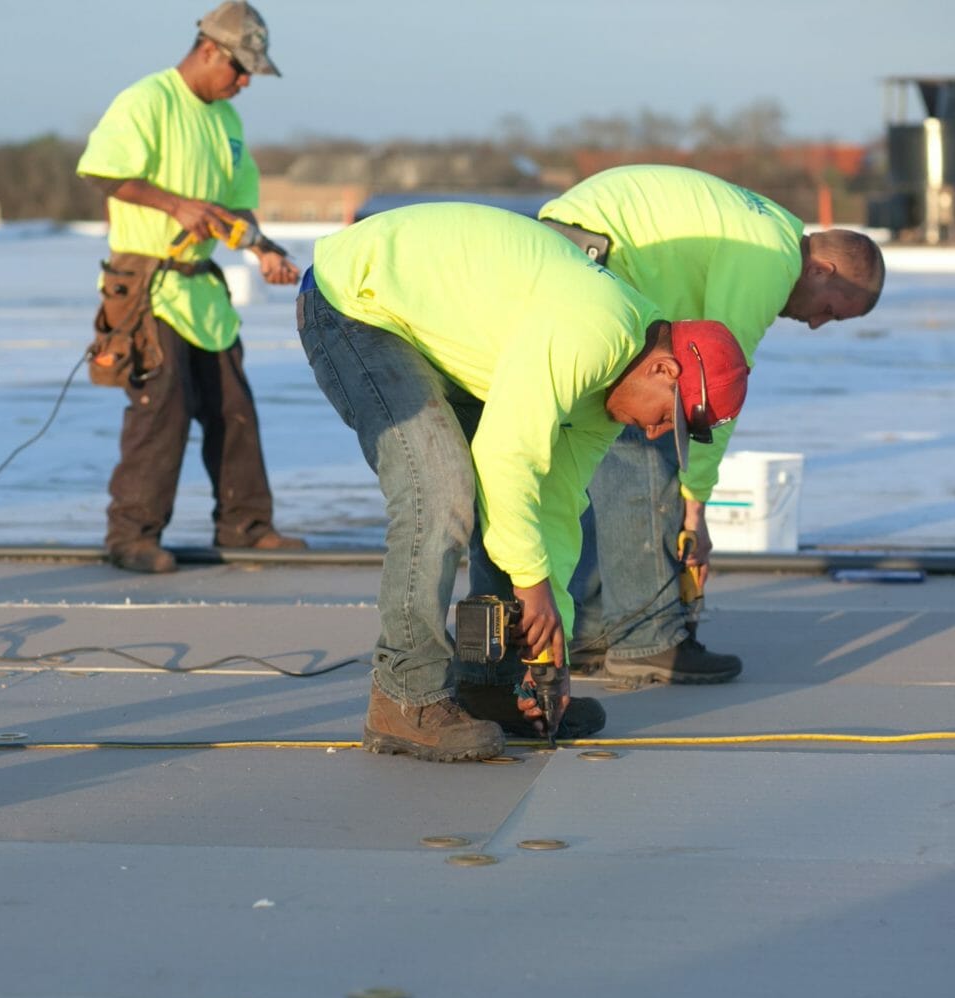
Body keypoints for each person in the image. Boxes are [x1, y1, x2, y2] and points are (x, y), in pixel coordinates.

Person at [297, 202, 750, 762]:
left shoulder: (611, 391)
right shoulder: (597, 330)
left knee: (514, 516)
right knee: (438, 490)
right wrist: (533, 588)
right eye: (669, 417)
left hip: (438, 331)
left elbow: (552, 504)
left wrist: (546, 655)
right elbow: (506, 454)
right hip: (357, 303)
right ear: (665, 370)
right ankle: (404, 695)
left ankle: (490, 683)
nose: (658, 432)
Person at [536, 165, 885, 684]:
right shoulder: (769, 261)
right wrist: (695, 507)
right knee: (648, 438)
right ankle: (646, 638)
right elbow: (713, 394)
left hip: (575, 241)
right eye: (831, 312)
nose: (815, 324)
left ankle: (591, 632)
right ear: (822, 271)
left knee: (598, 448)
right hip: (597, 252)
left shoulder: (773, 230)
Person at [76, 0, 305, 575]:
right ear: (209, 51)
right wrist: (175, 205)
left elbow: (235, 208)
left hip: (201, 290)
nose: (246, 81)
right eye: (240, 68)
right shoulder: (147, 101)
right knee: (162, 408)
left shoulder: (226, 122)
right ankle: (131, 536)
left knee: (233, 408)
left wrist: (262, 249)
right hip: (146, 284)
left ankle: (247, 526)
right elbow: (102, 170)